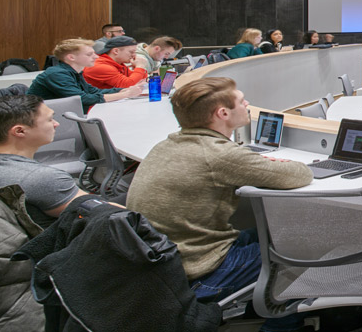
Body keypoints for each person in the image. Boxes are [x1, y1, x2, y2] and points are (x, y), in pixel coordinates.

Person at [126, 78, 311, 329]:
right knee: (302, 252)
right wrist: (275, 168)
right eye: (241, 101)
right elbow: (300, 175)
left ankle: (259, 305)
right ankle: (280, 327)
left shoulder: (167, 144)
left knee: (270, 235)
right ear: (222, 113)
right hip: (197, 274)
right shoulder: (219, 154)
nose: (247, 104)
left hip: (163, 266)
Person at [0, 95, 92, 226]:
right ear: (20, 131)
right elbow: (111, 216)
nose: (56, 124)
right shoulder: (41, 178)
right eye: (50, 120)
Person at [28, 39, 143, 110]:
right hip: (43, 120)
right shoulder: (57, 74)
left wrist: (121, 90)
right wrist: (125, 94)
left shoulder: (75, 72)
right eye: (89, 54)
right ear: (71, 57)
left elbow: (93, 91)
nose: (96, 57)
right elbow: (81, 99)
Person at [83, 36, 148, 90]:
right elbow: (127, 85)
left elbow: (142, 81)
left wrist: (139, 69)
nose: (134, 55)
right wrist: (140, 67)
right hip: (96, 104)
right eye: (131, 52)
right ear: (116, 51)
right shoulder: (101, 66)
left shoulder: (117, 63)